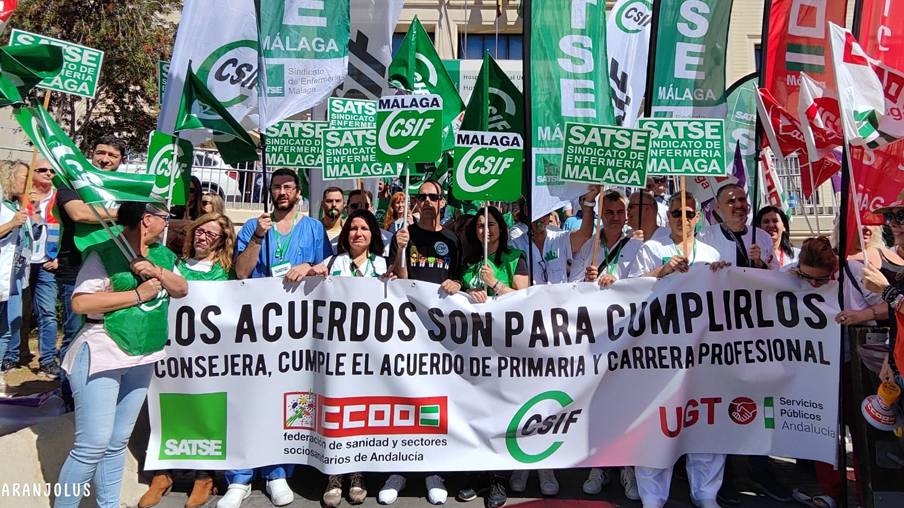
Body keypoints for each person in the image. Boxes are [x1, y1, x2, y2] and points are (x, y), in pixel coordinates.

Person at [55, 200, 188, 508]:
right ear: (146, 219)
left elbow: (181, 288)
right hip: (102, 351)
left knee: (116, 443)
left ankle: (109, 504)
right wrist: (136, 294)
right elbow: (80, 303)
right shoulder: (104, 252)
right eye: (164, 218)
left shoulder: (163, 255)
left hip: (143, 356)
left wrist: (157, 271)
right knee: (92, 444)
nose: (167, 224)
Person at [226, 167, 330, 508]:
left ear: (298, 192)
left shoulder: (313, 229)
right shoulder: (254, 227)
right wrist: (257, 236)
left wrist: (313, 268)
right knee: (251, 396)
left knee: (289, 398)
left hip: (297, 331)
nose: (282, 192)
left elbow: (329, 269)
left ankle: (278, 472)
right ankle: (240, 478)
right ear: (269, 192)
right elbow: (241, 272)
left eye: (288, 187)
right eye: (276, 187)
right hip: (257, 327)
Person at [628, 192, 730, 508]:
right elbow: (629, 290)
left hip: (701, 351)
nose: (682, 219)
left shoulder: (711, 251)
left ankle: (706, 493)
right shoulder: (652, 249)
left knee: (705, 421)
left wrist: (724, 275)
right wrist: (663, 271)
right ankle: (652, 496)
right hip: (659, 349)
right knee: (656, 423)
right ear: (666, 217)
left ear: (697, 217)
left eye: (688, 213)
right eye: (675, 213)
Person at [139, 212, 236, 508]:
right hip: (171, 352)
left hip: (209, 356)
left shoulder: (224, 273)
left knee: (207, 411)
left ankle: (204, 476)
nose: (204, 238)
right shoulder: (173, 264)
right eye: (200, 231)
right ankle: (162, 473)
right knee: (166, 405)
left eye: (212, 235)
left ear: (222, 242)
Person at [381, 180, 463, 506]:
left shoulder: (453, 240)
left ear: (442, 203)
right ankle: (398, 470)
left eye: (434, 197)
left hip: (439, 336)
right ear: (416, 202)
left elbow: (458, 278)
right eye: (422, 196)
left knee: (433, 402)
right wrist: (400, 249)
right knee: (402, 398)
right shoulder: (404, 235)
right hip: (406, 331)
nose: (427, 201)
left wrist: (456, 282)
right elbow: (399, 281)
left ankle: (432, 470)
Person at [787, 236, 876, 508]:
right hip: (815, 367)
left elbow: (892, 304)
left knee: (860, 433)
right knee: (822, 430)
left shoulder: (856, 272)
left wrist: (864, 314)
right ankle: (830, 492)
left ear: (834, 269)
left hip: (854, 365)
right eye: (806, 277)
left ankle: (865, 493)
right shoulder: (789, 273)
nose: (813, 284)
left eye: (821, 279)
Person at [308, 209, 387, 508]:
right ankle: (334, 476)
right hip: (336, 352)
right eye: (353, 228)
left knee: (361, 413)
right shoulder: (333, 262)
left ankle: (357, 474)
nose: (358, 233)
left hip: (370, 354)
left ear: (373, 235)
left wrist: (401, 256)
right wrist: (309, 269)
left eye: (364, 228)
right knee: (335, 411)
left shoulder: (381, 264)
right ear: (345, 234)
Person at [53, 135, 127, 408]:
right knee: (75, 335)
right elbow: (79, 213)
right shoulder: (69, 181)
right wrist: (127, 213)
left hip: (113, 268)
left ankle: (99, 395)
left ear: (122, 161)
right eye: (101, 152)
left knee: (108, 334)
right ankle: (69, 400)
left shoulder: (121, 188)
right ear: (91, 153)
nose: (105, 159)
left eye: (112, 155)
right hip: (75, 267)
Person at [23, 158, 61, 379]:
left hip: (47, 262)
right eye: (42, 170)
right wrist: (33, 207)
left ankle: (47, 360)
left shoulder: (58, 198)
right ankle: (13, 356)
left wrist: (58, 258)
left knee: (48, 314)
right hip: (22, 263)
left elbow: (66, 229)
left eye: (52, 170)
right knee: (17, 313)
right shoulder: (20, 197)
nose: (48, 173)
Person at [697, 184, 778, 271]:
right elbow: (697, 269)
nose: (739, 205)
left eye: (742, 199)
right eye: (731, 201)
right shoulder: (705, 237)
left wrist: (761, 264)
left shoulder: (763, 236)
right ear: (718, 207)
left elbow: (775, 275)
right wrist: (712, 268)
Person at [576, 189, 644, 290]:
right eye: (609, 212)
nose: (615, 217)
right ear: (600, 214)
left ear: (626, 214)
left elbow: (640, 285)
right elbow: (572, 284)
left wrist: (618, 284)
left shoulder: (638, 247)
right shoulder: (586, 245)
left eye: (620, 212)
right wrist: (586, 280)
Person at [0, 161, 29, 397]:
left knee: (9, 326)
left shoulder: (18, 205)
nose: (27, 183)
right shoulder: (2, 207)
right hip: (2, 273)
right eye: (24, 177)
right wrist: (11, 224)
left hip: (14, 276)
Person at [461, 206, 528, 302]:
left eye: (491, 224)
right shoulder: (468, 261)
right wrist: (469, 292)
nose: (486, 230)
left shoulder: (515, 259)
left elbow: (523, 298)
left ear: (500, 228)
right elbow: (460, 291)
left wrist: (493, 283)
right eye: (481, 226)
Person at [346, 189, 392, 255]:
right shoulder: (336, 242)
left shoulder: (388, 239)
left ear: (372, 210)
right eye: (354, 206)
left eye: (365, 205)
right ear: (347, 210)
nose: (360, 209)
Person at [755, 205, 798, 270]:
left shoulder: (798, 256)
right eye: (766, 222)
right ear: (759, 227)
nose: (771, 225)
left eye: (775, 221)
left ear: (784, 226)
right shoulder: (754, 255)